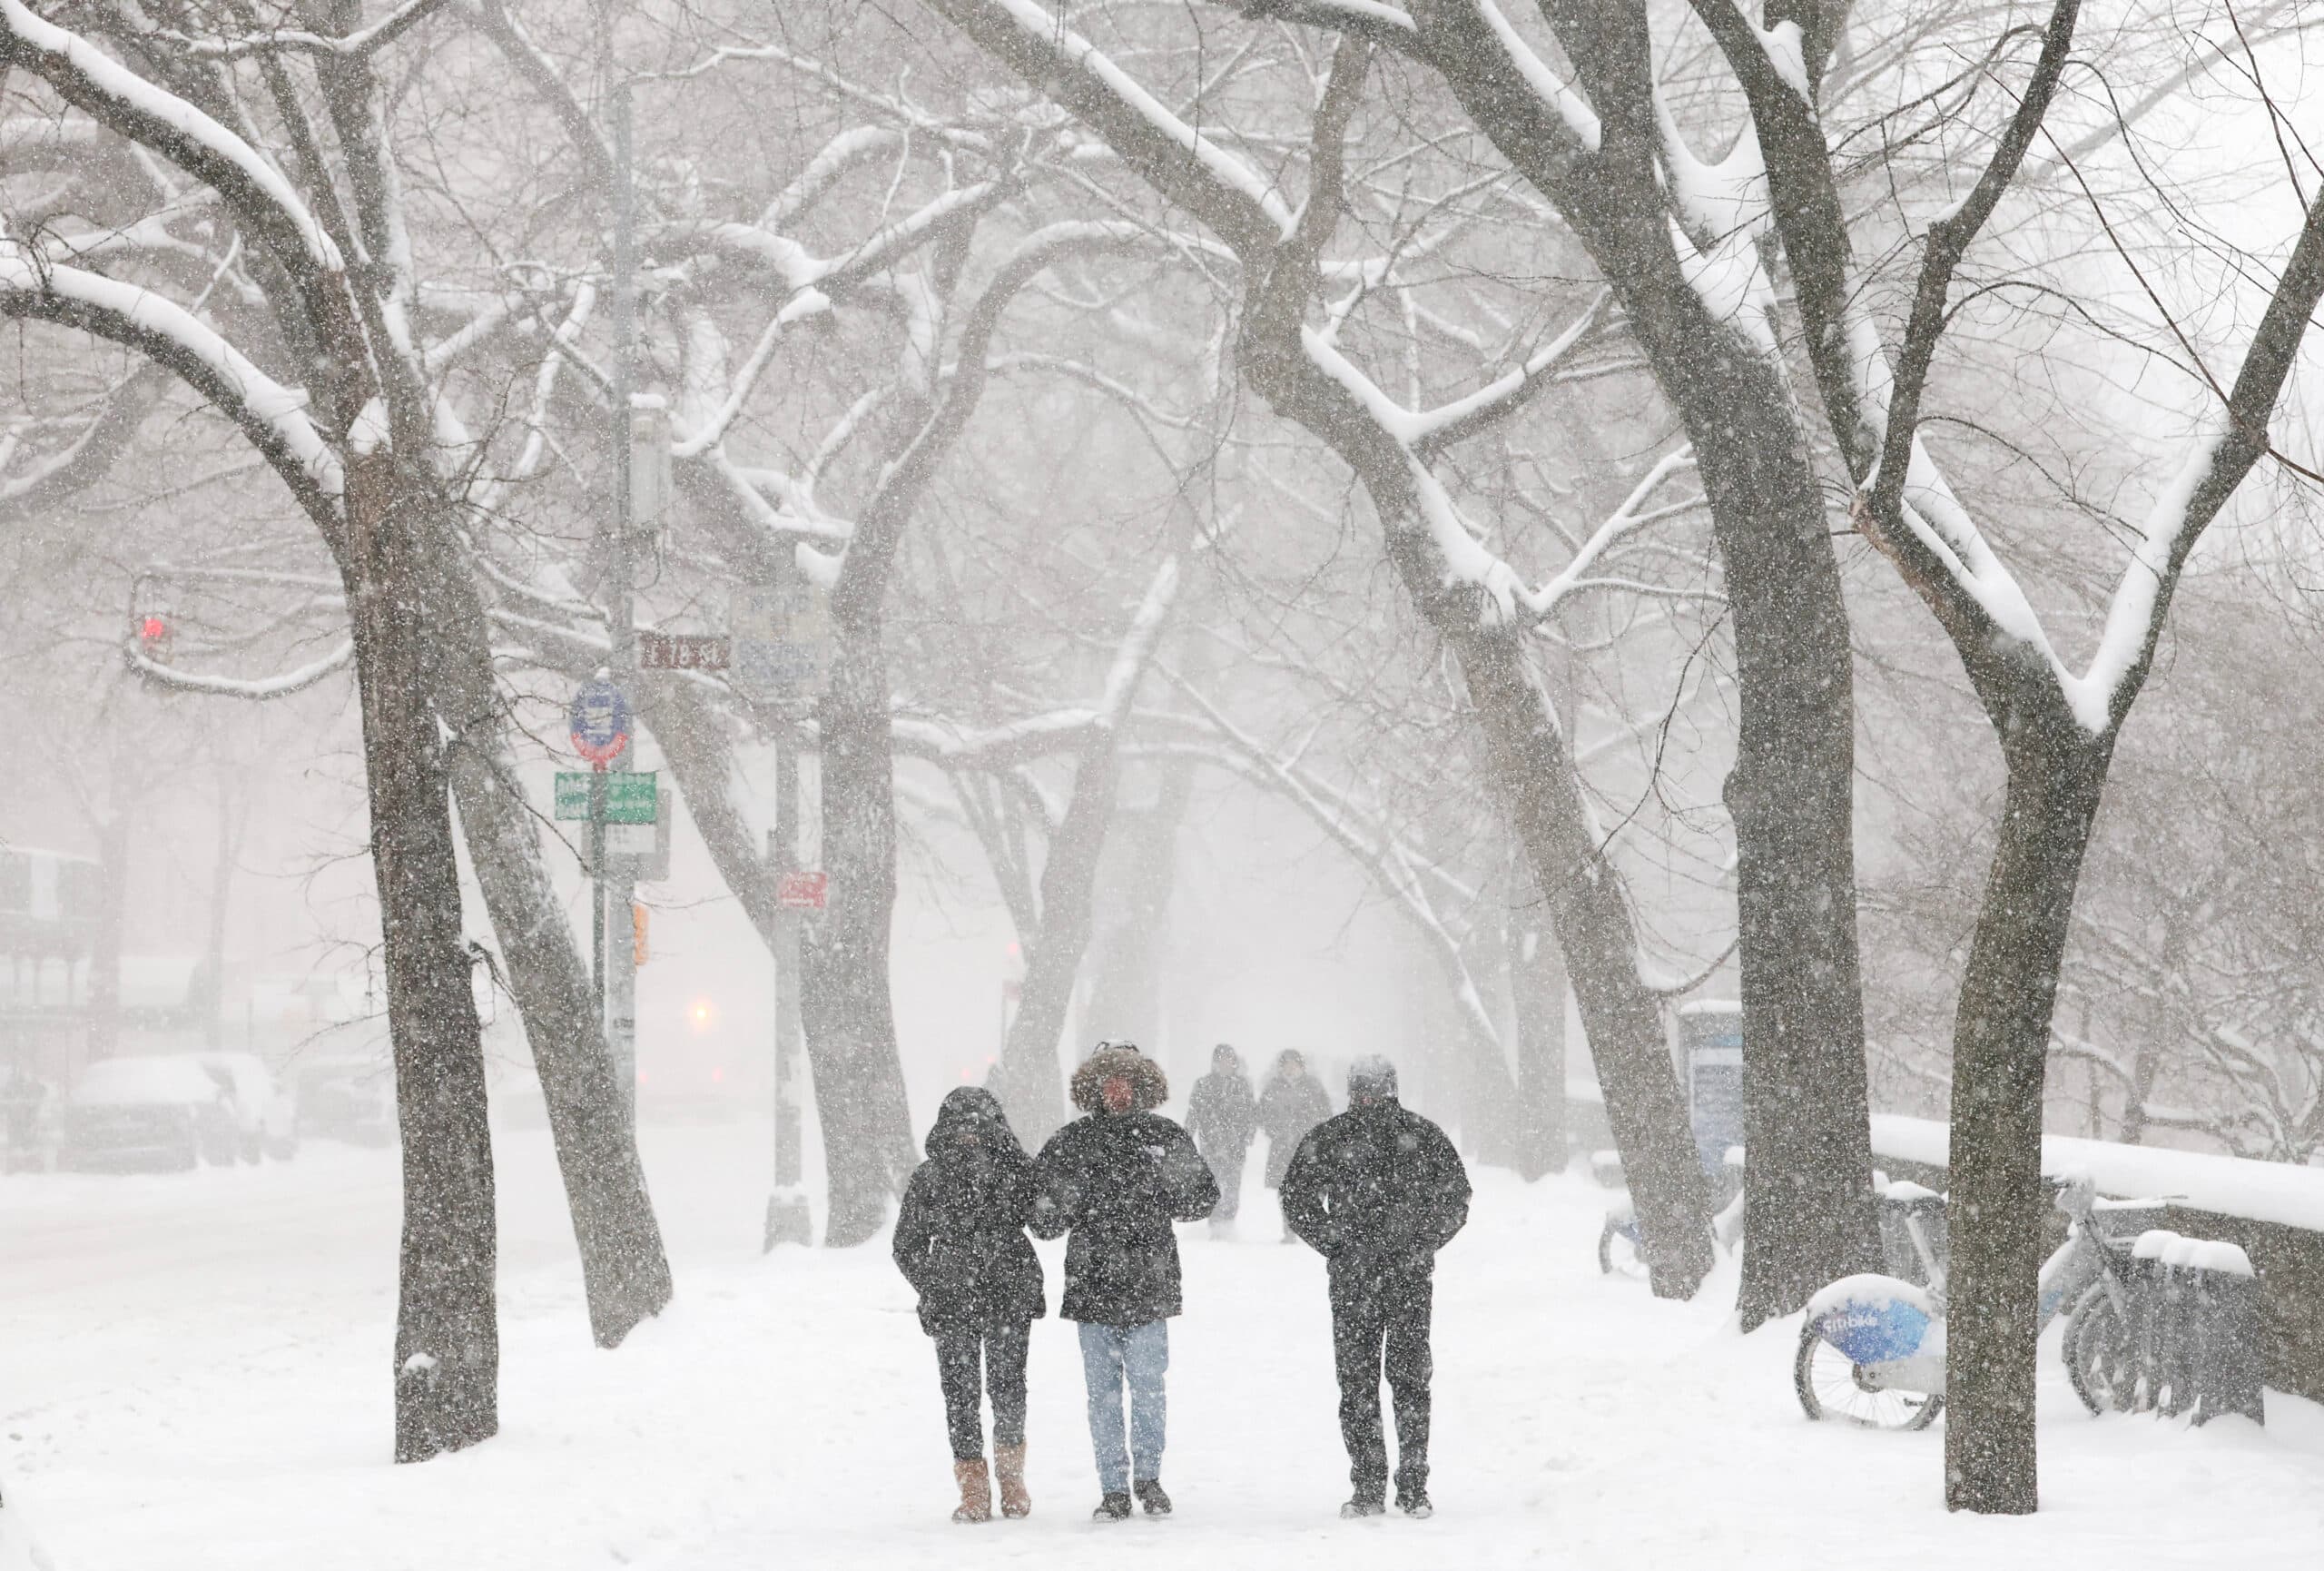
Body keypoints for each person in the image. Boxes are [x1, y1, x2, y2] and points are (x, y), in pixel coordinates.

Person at [1030, 1041, 1219, 1521]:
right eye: (1108, 1081)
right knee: (1103, 1394)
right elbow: (1044, 1218)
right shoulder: (1071, 1141)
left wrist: (1171, 1188)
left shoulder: (1163, 1137)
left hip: (1148, 1283)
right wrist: (1064, 1199)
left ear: (1141, 1087)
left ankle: (1149, 1479)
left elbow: (1200, 1199)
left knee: (1149, 1387)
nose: (1117, 1090)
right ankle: (1113, 1486)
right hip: (1094, 1283)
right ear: (1094, 1088)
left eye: (1126, 1081)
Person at [1281, 1054, 1471, 1521]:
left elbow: (1455, 1196)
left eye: (1370, 1088)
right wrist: (1340, 1243)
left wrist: (1410, 1242)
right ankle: (1389, 1486)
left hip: (1380, 1278)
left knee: (1381, 1383)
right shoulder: (1408, 1135)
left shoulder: (1347, 1136)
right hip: (1373, 1278)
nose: (1367, 1096)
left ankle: (1395, 1485)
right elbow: (1297, 1194)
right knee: (1380, 1383)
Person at [892, 1087, 1046, 1525]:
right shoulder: (930, 1178)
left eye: (977, 1124)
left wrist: (1029, 1171)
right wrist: (935, 1284)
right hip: (953, 1301)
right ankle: (974, 1487)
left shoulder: (1014, 1171)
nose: (969, 1134)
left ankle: (1012, 1479)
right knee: (959, 1395)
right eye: (960, 1124)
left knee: (1009, 1389)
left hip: (1009, 1292)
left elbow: (1045, 1219)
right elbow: (907, 1244)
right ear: (946, 1127)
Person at [1256, 1049, 1332, 1239]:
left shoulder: (1313, 1086)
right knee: (1285, 1188)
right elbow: (1262, 1114)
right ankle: (1288, 1226)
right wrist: (1275, 1130)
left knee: (1310, 1187)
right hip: (1281, 1147)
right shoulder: (1273, 1087)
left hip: (1308, 1147)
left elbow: (1325, 1113)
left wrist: (1314, 1133)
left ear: (1301, 1066)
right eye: (1286, 1064)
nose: (1290, 1068)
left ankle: (1307, 1224)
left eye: (1293, 1064)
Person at [1185, 1043, 1256, 1232]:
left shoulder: (1242, 1085)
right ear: (1215, 1062)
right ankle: (1215, 1223)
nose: (1226, 1063)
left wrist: (1249, 1134)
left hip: (1236, 1145)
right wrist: (1186, 1136)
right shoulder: (1203, 1084)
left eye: (1229, 1059)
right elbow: (1194, 1113)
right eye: (1222, 1059)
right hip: (1210, 1144)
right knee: (1213, 1184)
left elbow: (1251, 1113)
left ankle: (1228, 1223)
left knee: (1233, 1187)